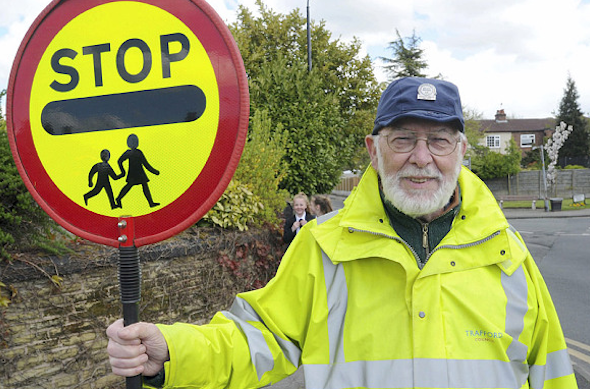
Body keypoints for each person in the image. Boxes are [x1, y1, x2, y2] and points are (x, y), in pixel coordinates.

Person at [106, 77, 577, 389]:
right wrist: (172, 352)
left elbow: (553, 372)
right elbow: (257, 340)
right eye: (403, 139)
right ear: (374, 150)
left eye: (438, 140)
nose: (421, 156)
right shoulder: (322, 247)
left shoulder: (507, 253)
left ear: (461, 150)